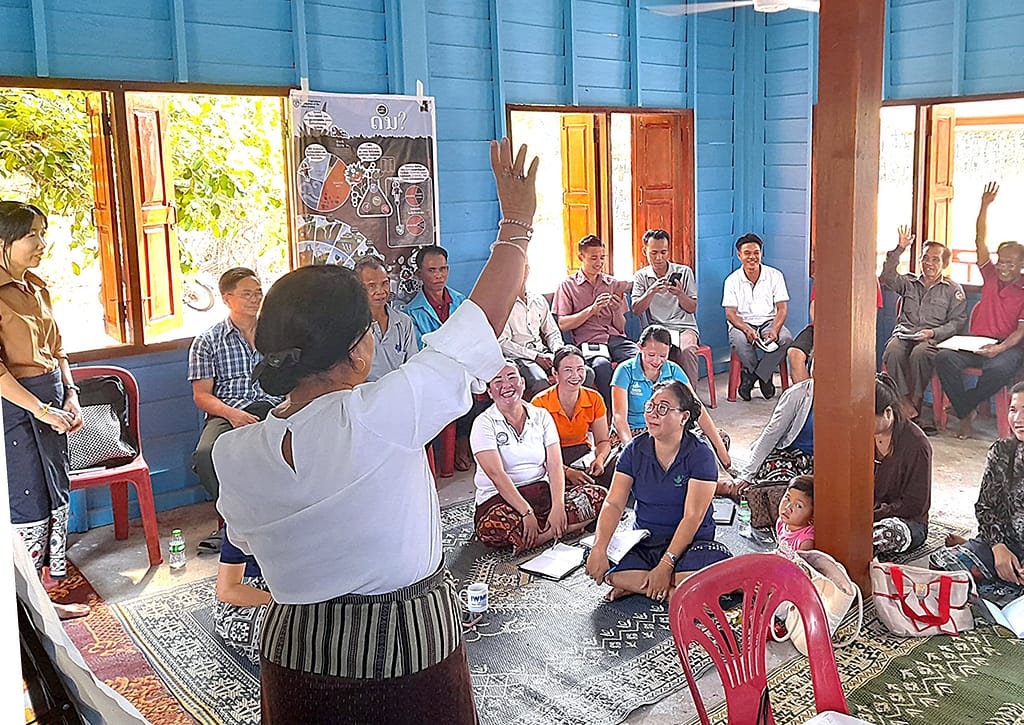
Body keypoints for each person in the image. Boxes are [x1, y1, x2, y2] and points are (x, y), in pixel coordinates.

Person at [212, 137, 536, 723]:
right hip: (407, 652)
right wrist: (516, 225)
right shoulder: (376, 417)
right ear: (359, 347)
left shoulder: (234, 453)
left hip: (296, 654)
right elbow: (479, 322)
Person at [0, 201, 88, 620]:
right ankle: (26, 607)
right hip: (16, 407)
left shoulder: (36, 286)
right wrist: (39, 409)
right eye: (32, 235)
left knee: (55, 494)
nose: (42, 244)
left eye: (42, 233)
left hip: (51, 399)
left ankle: (43, 598)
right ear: (4, 241)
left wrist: (71, 395)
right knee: (26, 503)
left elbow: (57, 349)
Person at [585, 381, 731, 602]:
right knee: (598, 560)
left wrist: (666, 564)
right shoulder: (634, 450)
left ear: (683, 417)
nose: (653, 414)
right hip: (647, 541)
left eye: (663, 408)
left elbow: (693, 517)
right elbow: (613, 503)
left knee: (688, 575)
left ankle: (648, 583)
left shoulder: (700, 455)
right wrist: (599, 546)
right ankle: (674, 594)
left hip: (691, 543)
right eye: (650, 406)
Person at [189, 267, 282, 553]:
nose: (255, 299)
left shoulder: (276, 334)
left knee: (301, 443)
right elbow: (202, 396)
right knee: (206, 455)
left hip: (274, 407)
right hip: (229, 410)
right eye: (247, 294)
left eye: (258, 293)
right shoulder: (208, 341)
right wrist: (232, 414)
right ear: (227, 299)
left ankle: (283, 519)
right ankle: (235, 523)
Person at [471, 361, 606, 550]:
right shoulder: (483, 423)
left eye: (512, 378)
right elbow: (496, 475)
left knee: (599, 496)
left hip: (542, 493)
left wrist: (558, 506)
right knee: (493, 526)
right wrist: (526, 512)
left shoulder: (541, 416)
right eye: (498, 381)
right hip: (501, 498)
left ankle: (541, 536)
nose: (506, 386)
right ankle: (558, 529)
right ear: (490, 391)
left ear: (523, 383)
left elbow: (554, 464)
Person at [934, 182, 1024, 439]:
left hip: (1007, 346)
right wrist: (984, 206)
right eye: (1001, 261)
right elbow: (979, 240)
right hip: (975, 343)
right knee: (943, 358)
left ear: (1021, 264)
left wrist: (999, 348)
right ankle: (967, 410)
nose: (1003, 266)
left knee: (999, 369)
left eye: (1010, 263)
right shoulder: (991, 276)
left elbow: (1020, 331)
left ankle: (964, 409)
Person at [931, 382, 1024, 588]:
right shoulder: (1002, 451)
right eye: (1013, 410)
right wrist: (998, 546)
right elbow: (985, 507)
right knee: (942, 568)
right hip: (1005, 544)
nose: (1018, 420)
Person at [879, 226, 967, 424]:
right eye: (925, 258)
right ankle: (903, 400)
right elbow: (887, 276)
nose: (929, 263)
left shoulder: (953, 290)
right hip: (904, 334)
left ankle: (916, 400)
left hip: (931, 339)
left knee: (921, 354)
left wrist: (933, 332)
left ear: (944, 263)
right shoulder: (909, 282)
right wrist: (900, 248)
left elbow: (957, 322)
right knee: (892, 350)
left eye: (935, 259)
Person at [611, 325, 731, 468]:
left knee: (719, 439)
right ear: (640, 348)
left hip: (667, 432)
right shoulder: (625, 371)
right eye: (651, 355)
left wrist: (720, 449)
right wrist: (630, 449)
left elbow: (697, 408)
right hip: (634, 433)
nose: (656, 361)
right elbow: (619, 418)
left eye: (663, 356)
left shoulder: (673, 370)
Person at [405, 245, 477, 469]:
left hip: (462, 365)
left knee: (478, 385)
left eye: (443, 269)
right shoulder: (412, 311)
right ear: (419, 274)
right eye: (432, 270)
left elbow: (470, 337)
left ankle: (464, 441)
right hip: (434, 370)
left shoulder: (460, 301)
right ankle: (446, 451)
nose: (438, 276)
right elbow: (420, 348)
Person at [552, 235, 638, 408]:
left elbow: (621, 328)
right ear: (580, 257)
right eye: (593, 258)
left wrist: (615, 310)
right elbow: (563, 324)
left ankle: (638, 408)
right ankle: (610, 413)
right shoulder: (567, 285)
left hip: (615, 338)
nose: (599, 262)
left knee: (639, 359)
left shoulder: (612, 283)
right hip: (589, 342)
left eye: (602, 257)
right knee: (602, 366)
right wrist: (592, 310)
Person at [722, 233, 793, 401]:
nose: (752, 257)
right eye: (747, 253)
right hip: (742, 323)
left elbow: (782, 309)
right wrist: (747, 329)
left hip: (769, 321)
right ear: (739, 255)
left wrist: (775, 330)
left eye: (756, 252)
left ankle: (753, 376)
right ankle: (765, 378)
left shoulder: (775, 276)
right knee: (739, 341)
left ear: (761, 253)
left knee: (786, 338)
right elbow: (730, 313)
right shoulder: (732, 281)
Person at [531, 346, 612, 489]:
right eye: (568, 370)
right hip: (551, 456)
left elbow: (603, 441)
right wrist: (568, 472)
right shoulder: (540, 403)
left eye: (580, 369)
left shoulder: (594, 398)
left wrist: (599, 459)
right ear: (555, 373)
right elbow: (536, 452)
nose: (576, 375)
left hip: (581, 453)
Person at [498, 263, 580, 400]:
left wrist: (558, 352)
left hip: (544, 352)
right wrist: (535, 356)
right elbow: (503, 343)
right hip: (522, 358)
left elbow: (552, 332)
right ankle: (547, 419)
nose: (519, 273)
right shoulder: (502, 305)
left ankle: (572, 415)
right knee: (540, 382)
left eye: (523, 268)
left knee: (585, 373)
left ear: (528, 270)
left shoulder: (538, 300)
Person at [723, 376, 814, 500]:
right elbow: (771, 435)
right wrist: (748, 474)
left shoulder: (846, 397)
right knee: (781, 492)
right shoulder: (797, 394)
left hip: (827, 461)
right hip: (790, 455)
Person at [631, 229, 701, 385]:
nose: (659, 258)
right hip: (658, 328)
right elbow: (636, 309)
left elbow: (692, 308)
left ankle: (690, 398)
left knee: (687, 350)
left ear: (669, 251)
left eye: (663, 252)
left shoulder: (684, 271)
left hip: (684, 327)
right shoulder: (641, 276)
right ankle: (658, 395)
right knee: (654, 354)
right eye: (654, 253)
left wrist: (680, 294)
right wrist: (652, 291)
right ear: (645, 251)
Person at [873, 373, 932, 557]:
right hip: (867, 513)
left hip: (906, 521)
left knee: (884, 534)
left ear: (888, 412)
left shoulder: (917, 444)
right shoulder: (858, 434)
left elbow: (915, 505)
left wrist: (873, 514)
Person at [783, 280, 884, 383]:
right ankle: (808, 396)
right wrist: (824, 332)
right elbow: (814, 307)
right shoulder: (824, 274)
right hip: (821, 328)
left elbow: (870, 316)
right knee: (795, 353)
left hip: (852, 332)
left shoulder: (869, 278)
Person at [355, 255, 419, 382]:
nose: (381, 291)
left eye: (385, 284)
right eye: (371, 286)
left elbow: (413, 365)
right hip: (365, 397)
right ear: (358, 288)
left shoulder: (403, 322)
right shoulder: (352, 326)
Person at [214, 527, 271, 663]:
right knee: (269, 636)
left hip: (299, 585)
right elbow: (227, 590)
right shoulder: (240, 520)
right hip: (254, 593)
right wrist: (280, 603)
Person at [776, 475, 815, 555]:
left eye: (798, 505)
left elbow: (800, 566)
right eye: (787, 498)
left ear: (812, 516)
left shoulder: (805, 541)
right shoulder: (781, 522)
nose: (788, 507)